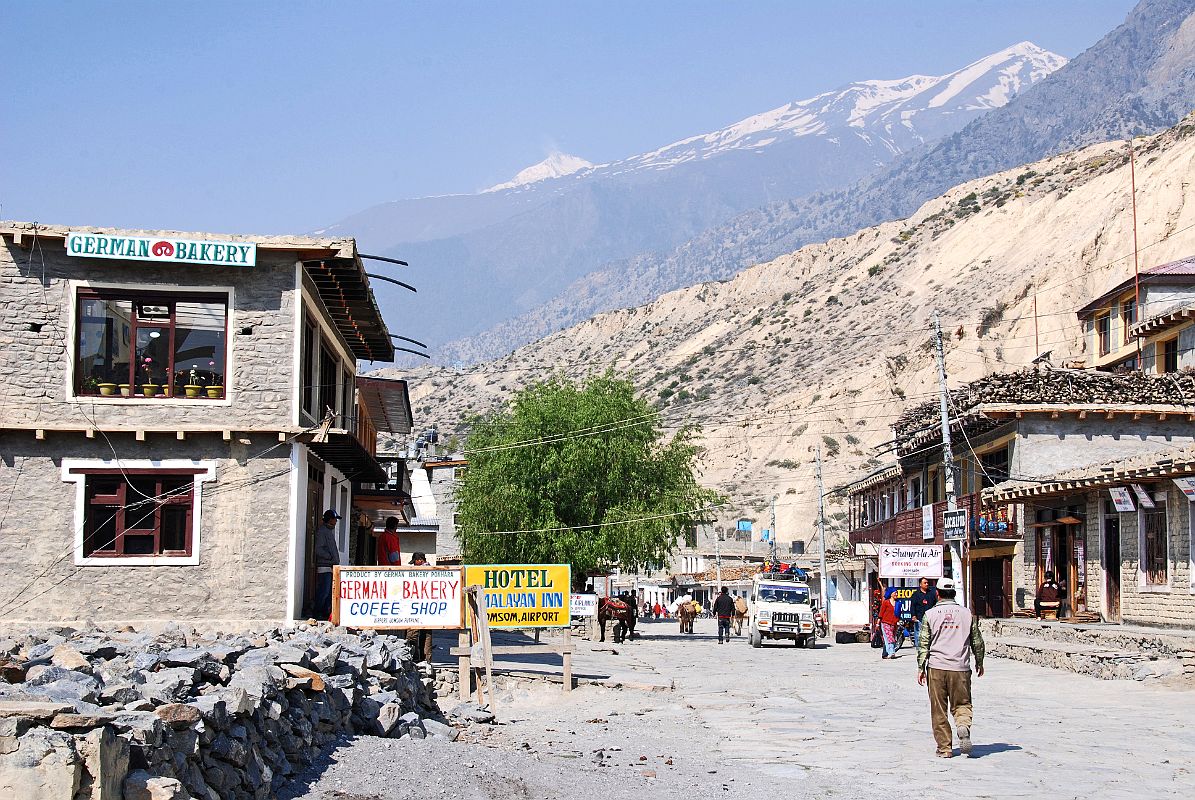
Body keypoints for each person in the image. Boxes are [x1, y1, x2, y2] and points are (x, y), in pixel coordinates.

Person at [917, 577, 985, 758]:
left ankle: (945, 748)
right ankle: (962, 725)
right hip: (960, 667)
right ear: (954, 593)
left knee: (939, 708)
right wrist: (979, 662)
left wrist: (920, 667)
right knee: (962, 703)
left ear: (937, 594)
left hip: (936, 667)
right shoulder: (966, 614)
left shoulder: (930, 615)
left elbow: (923, 642)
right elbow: (977, 641)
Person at [405, 551, 434, 662]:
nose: (414, 565)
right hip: (429, 607)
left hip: (416, 607)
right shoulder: (432, 570)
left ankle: (413, 659)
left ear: (420, 560)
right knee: (426, 634)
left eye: (415, 562)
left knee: (412, 635)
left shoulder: (420, 571)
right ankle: (426, 660)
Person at [313, 509, 341, 620]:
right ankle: (317, 612)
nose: (336, 522)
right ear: (330, 519)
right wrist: (330, 557)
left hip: (330, 566)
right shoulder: (322, 531)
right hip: (324, 566)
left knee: (329, 592)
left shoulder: (328, 531)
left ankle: (325, 612)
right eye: (335, 519)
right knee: (324, 591)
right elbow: (318, 549)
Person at [909, 577, 938, 646]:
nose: (927, 584)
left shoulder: (931, 593)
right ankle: (919, 648)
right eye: (925, 583)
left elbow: (935, 605)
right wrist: (913, 616)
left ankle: (929, 646)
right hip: (919, 617)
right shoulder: (916, 594)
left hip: (930, 618)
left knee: (930, 633)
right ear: (920, 584)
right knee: (918, 633)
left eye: (927, 583)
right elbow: (912, 606)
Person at [879, 587, 900, 659]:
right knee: (889, 638)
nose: (896, 594)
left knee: (891, 638)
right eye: (895, 593)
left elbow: (899, 614)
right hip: (885, 622)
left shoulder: (898, 603)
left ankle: (889, 652)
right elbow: (881, 612)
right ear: (891, 594)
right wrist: (878, 622)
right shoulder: (886, 602)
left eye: (897, 593)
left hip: (894, 623)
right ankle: (891, 652)